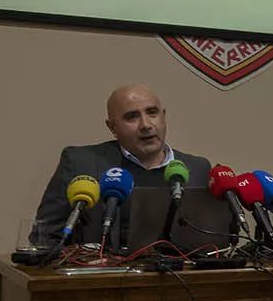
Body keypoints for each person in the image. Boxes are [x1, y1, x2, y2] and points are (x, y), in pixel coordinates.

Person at [30, 84, 212, 245]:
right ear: (112, 127)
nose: (146, 125)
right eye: (132, 117)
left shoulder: (198, 169)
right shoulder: (81, 163)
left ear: (163, 116)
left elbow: (210, 239)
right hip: (103, 271)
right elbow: (45, 236)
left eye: (152, 113)